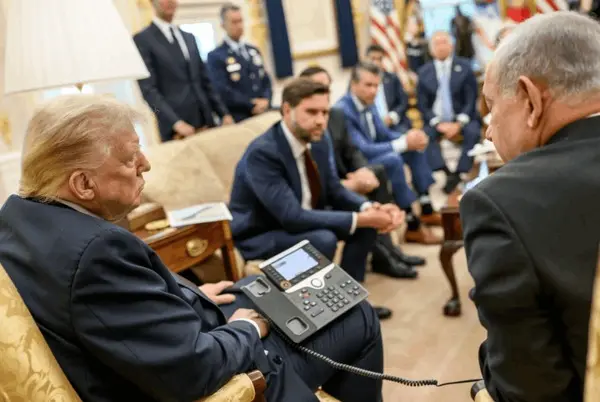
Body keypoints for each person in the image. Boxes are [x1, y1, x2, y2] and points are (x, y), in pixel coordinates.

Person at [0, 94, 385, 402]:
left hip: (158, 345)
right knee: (357, 313)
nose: (146, 164)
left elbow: (111, 312)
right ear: (83, 184)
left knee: (262, 292)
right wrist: (248, 328)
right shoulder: (99, 251)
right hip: (221, 374)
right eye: (131, 158)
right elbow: (194, 370)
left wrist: (188, 295)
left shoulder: (17, 219)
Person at [461, 11, 600, 401]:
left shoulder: (501, 203)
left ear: (531, 100)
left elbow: (527, 391)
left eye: (491, 106)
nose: (489, 129)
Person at [229, 78, 405, 319]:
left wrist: (368, 207)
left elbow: (334, 190)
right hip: (262, 233)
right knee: (324, 239)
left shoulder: (319, 139)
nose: (321, 120)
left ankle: (349, 301)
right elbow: (291, 216)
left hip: (300, 221)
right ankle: (316, 309)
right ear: (287, 110)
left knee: (364, 228)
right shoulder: (263, 152)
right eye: (311, 112)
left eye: (325, 112)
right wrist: (362, 218)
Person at [300, 65, 424, 279]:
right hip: (330, 186)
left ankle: (388, 252)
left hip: (343, 177)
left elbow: (352, 151)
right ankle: (387, 252)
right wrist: (348, 183)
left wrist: (362, 170)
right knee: (385, 167)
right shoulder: (305, 126)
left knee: (376, 174)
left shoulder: (335, 115)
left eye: (326, 89)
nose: (323, 95)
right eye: (317, 88)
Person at [335, 62, 442, 244]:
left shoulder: (368, 102)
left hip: (375, 154)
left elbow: (384, 134)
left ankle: (426, 207)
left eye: (376, 85)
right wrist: (403, 143)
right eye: (368, 85)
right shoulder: (343, 110)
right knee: (393, 159)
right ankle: (412, 224)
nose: (374, 91)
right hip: (358, 164)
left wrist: (409, 138)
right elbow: (363, 149)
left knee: (414, 149)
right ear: (353, 85)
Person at [134, 0, 233, 142]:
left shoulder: (189, 37)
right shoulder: (143, 40)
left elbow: (205, 81)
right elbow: (148, 91)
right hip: (178, 132)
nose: (170, 1)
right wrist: (175, 123)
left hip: (206, 123)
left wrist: (223, 113)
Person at [417, 31, 481, 194]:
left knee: (473, 132)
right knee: (425, 136)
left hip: (462, 117)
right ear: (431, 50)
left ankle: (460, 172)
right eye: (437, 43)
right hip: (436, 120)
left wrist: (459, 123)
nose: (441, 46)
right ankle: (445, 171)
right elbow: (423, 105)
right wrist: (438, 123)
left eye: (444, 42)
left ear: (451, 45)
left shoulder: (465, 67)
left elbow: (471, 99)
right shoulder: (423, 72)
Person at [207, 3, 272, 123]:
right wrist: (251, 104)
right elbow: (222, 90)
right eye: (234, 22)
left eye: (241, 21)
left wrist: (266, 100)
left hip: (263, 112)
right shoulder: (216, 56)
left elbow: (265, 80)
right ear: (223, 25)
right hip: (240, 117)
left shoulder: (253, 50)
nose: (239, 26)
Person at [364, 45, 412, 133]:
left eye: (380, 59)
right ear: (365, 60)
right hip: (370, 126)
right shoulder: (359, 83)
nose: (376, 63)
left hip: (394, 124)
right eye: (373, 59)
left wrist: (392, 117)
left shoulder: (392, 79)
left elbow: (403, 102)